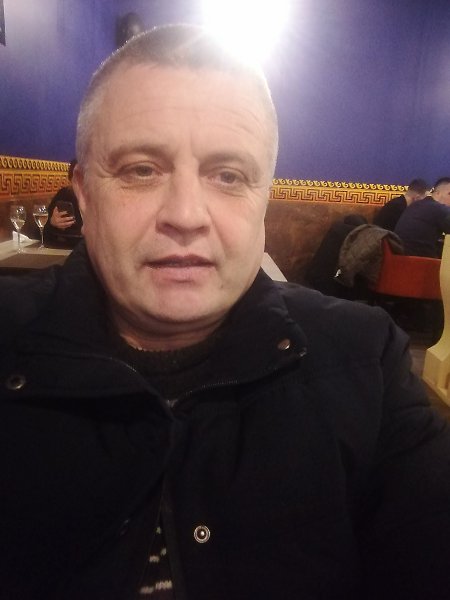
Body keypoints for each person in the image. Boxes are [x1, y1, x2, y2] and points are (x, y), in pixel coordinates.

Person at [1, 24, 450, 600]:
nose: (186, 214)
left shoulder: (367, 358)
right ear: (84, 194)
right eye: (141, 169)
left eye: (229, 176)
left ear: (264, 198)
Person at [394, 177, 450, 257]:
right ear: (437, 193)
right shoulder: (440, 209)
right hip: (419, 260)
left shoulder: (415, 205)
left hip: (397, 257)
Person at [43, 158, 83, 248]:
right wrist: (52, 223)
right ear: (70, 181)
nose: (81, 185)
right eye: (76, 180)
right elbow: (40, 232)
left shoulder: (102, 198)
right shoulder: (64, 195)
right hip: (69, 249)